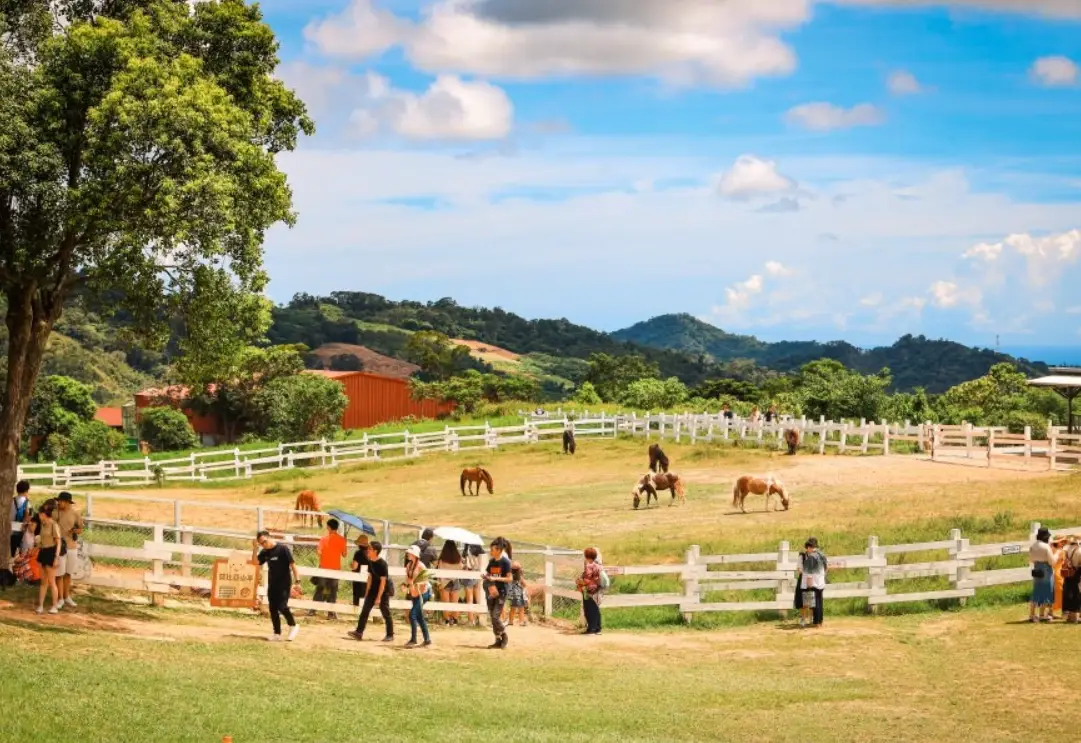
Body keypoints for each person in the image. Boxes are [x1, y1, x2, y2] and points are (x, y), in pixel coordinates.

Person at [252, 530, 301, 642]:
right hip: (272, 583)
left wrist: (297, 581)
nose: (263, 545)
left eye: (264, 542)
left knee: (282, 606)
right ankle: (277, 633)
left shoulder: (283, 549)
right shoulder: (265, 552)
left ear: (269, 537)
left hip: (284, 583)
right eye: (261, 544)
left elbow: (293, 565)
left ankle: (293, 625)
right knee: (273, 608)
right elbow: (255, 562)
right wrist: (255, 548)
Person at [348, 541, 394, 642]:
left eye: (370, 549)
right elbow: (370, 578)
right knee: (365, 611)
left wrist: (379, 597)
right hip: (372, 590)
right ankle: (359, 632)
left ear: (375, 551)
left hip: (383, 591)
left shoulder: (382, 564)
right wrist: (367, 591)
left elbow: (383, 582)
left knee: (385, 612)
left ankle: (390, 635)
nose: (367, 550)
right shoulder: (370, 561)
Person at [311, 518, 347, 620]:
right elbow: (344, 555)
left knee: (320, 588)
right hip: (335, 569)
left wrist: (324, 556)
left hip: (324, 568)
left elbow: (318, 551)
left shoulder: (323, 539)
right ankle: (331, 613)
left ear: (329, 527)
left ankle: (313, 610)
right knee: (333, 590)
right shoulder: (342, 540)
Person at [33, 500, 63, 615]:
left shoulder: (53, 525)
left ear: (43, 514)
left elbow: (58, 542)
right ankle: (40, 606)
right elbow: (42, 541)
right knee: (43, 581)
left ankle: (54, 606)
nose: (39, 517)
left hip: (51, 552)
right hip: (43, 552)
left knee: (52, 581)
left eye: (40, 514)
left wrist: (56, 557)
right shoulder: (43, 525)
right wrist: (35, 549)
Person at [55, 492, 83, 609]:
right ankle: (60, 598)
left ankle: (67, 596)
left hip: (71, 546)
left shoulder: (75, 513)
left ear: (67, 502)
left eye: (61, 501)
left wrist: (75, 531)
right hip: (59, 547)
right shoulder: (55, 513)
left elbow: (81, 529)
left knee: (68, 573)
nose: (59, 503)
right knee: (59, 574)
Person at [483, 538, 512, 649]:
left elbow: (510, 578)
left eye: (492, 549)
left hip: (502, 592)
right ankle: (497, 640)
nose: (491, 551)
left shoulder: (505, 562)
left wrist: (496, 579)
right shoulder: (492, 562)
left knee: (495, 616)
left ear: (499, 550)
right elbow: (488, 573)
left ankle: (503, 634)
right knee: (492, 615)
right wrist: (486, 577)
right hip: (491, 591)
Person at [403, 545, 432, 647]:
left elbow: (425, 582)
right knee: (419, 617)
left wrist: (415, 587)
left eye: (410, 553)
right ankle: (427, 639)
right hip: (415, 592)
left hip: (423, 593)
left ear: (415, 555)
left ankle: (413, 639)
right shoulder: (409, 566)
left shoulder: (421, 566)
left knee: (412, 615)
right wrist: (406, 587)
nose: (408, 554)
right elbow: (408, 580)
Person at [798, 537, 828, 628]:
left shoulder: (811, 556)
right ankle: (820, 621)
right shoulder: (822, 555)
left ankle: (817, 622)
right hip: (821, 581)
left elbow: (809, 572)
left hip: (814, 582)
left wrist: (809, 583)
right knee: (820, 602)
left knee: (816, 604)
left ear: (810, 547)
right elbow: (826, 567)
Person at [1029, 527, 1055, 623]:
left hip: (1037, 569)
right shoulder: (1046, 546)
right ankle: (1043, 614)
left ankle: (1032, 614)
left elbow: (1031, 559)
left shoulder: (1033, 546)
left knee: (1036, 592)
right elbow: (1052, 561)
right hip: (1046, 570)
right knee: (1047, 591)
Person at [576, 548, 604, 635]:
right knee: (596, 609)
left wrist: (579, 581)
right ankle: (598, 628)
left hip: (589, 590)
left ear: (586, 556)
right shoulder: (599, 566)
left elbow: (587, 580)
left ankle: (591, 628)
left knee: (589, 609)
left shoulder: (589, 566)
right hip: (597, 589)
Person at [436, 540, 463, 626]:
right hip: (455, 581)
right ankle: (454, 620)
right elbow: (461, 568)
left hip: (445, 582)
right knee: (455, 603)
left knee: (446, 603)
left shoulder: (442, 558)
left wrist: (439, 583)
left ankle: (447, 620)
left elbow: (439, 571)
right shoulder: (458, 557)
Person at [461, 543, 484, 627]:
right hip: (478, 575)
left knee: (469, 599)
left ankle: (471, 620)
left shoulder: (467, 551)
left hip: (469, 576)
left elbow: (466, 565)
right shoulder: (481, 552)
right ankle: (478, 618)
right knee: (477, 599)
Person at [1061, 537, 1081, 624]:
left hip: (1068, 573)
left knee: (1068, 593)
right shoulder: (1079, 550)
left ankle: (1069, 616)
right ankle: (1075, 617)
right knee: (1076, 594)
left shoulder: (1066, 549)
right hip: (1076, 572)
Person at [10, 480, 31, 559]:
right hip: (20, 529)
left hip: (9, 529)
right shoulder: (27, 502)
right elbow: (28, 517)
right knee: (21, 554)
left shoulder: (11, 500)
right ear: (26, 490)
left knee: (10, 553)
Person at [506, 562, 529, 627]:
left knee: (512, 608)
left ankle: (510, 621)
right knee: (521, 608)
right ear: (519, 570)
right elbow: (524, 584)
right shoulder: (519, 577)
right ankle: (521, 622)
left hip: (512, 594)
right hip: (519, 594)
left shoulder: (510, 576)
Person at [350, 535, 370, 608]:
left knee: (358, 593)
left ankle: (357, 607)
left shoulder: (358, 553)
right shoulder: (370, 552)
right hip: (368, 576)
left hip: (358, 576)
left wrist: (351, 566)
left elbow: (355, 567)